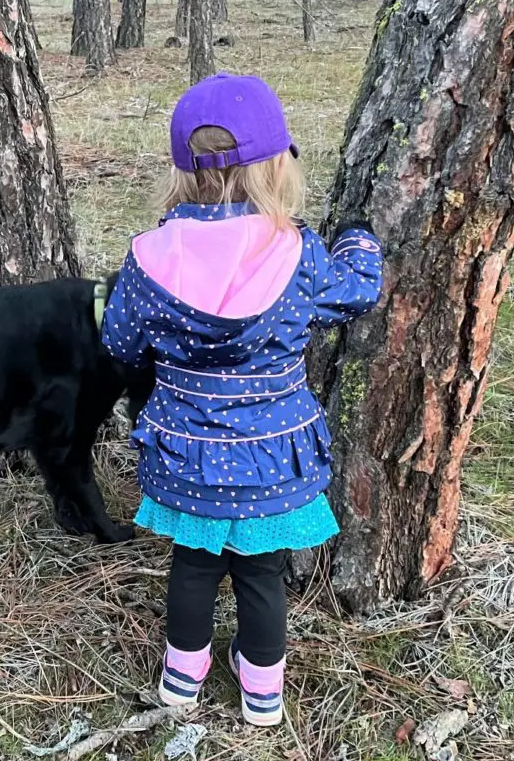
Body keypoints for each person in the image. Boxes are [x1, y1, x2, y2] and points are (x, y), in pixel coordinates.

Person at [101, 72, 383, 727]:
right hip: (268, 457)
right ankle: (263, 694)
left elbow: (119, 341)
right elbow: (354, 293)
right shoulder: (298, 252)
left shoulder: (148, 258)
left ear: (181, 171)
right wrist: (361, 240)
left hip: (188, 455)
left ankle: (181, 678)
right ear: (275, 167)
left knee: (193, 568)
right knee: (262, 576)